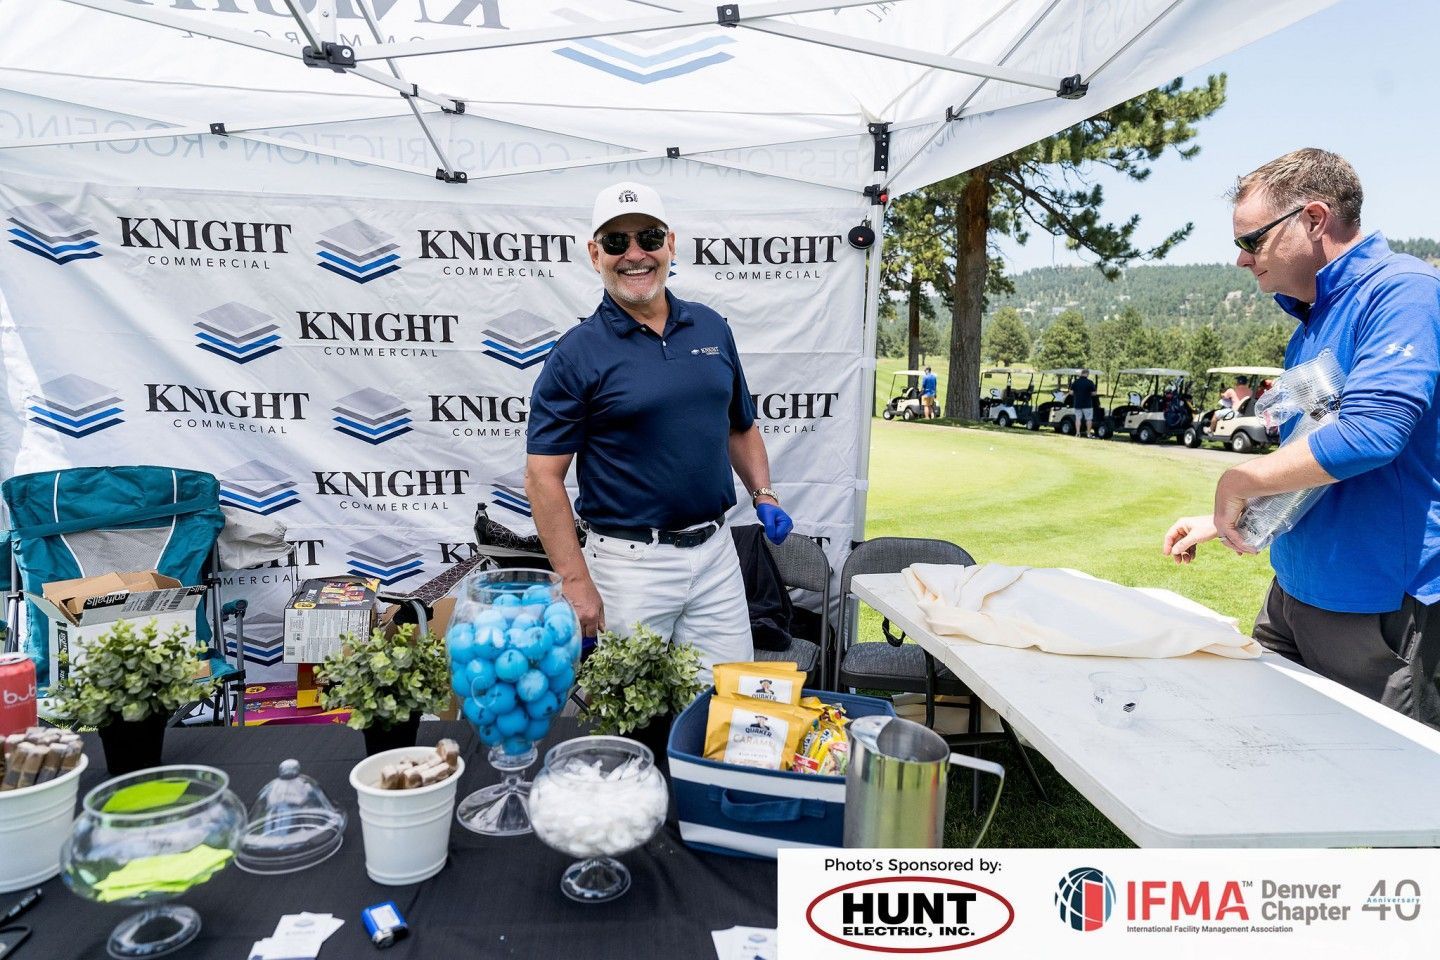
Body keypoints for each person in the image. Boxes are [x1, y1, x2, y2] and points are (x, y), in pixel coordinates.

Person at [1164, 148, 1440, 726]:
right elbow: (1309, 460)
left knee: (1375, 793)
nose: (1241, 259)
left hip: (1378, 609)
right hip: (1294, 594)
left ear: (1314, 220)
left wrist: (1240, 477)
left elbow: (1373, 432)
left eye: (1252, 240)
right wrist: (1226, 519)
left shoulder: (1404, 292)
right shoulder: (1312, 318)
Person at [525, 181, 794, 683]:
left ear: (670, 244)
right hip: (629, 568)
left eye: (647, 238)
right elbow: (543, 478)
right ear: (594, 254)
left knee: (725, 710)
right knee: (628, 720)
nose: (634, 255)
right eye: (615, 242)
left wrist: (764, 494)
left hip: (717, 556)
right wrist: (576, 582)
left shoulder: (712, 328)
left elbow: (741, 425)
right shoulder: (576, 354)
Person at [1070, 368, 1096, 438]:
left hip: (1077, 403)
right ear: (1087, 374)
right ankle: (1088, 433)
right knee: (1089, 419)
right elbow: (1094, 394)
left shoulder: (1076, 382)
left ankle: (1078, 433)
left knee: (1078, 418)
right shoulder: (1090, 382)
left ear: (1081, 373)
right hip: (1087, 404)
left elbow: (1071, 393)